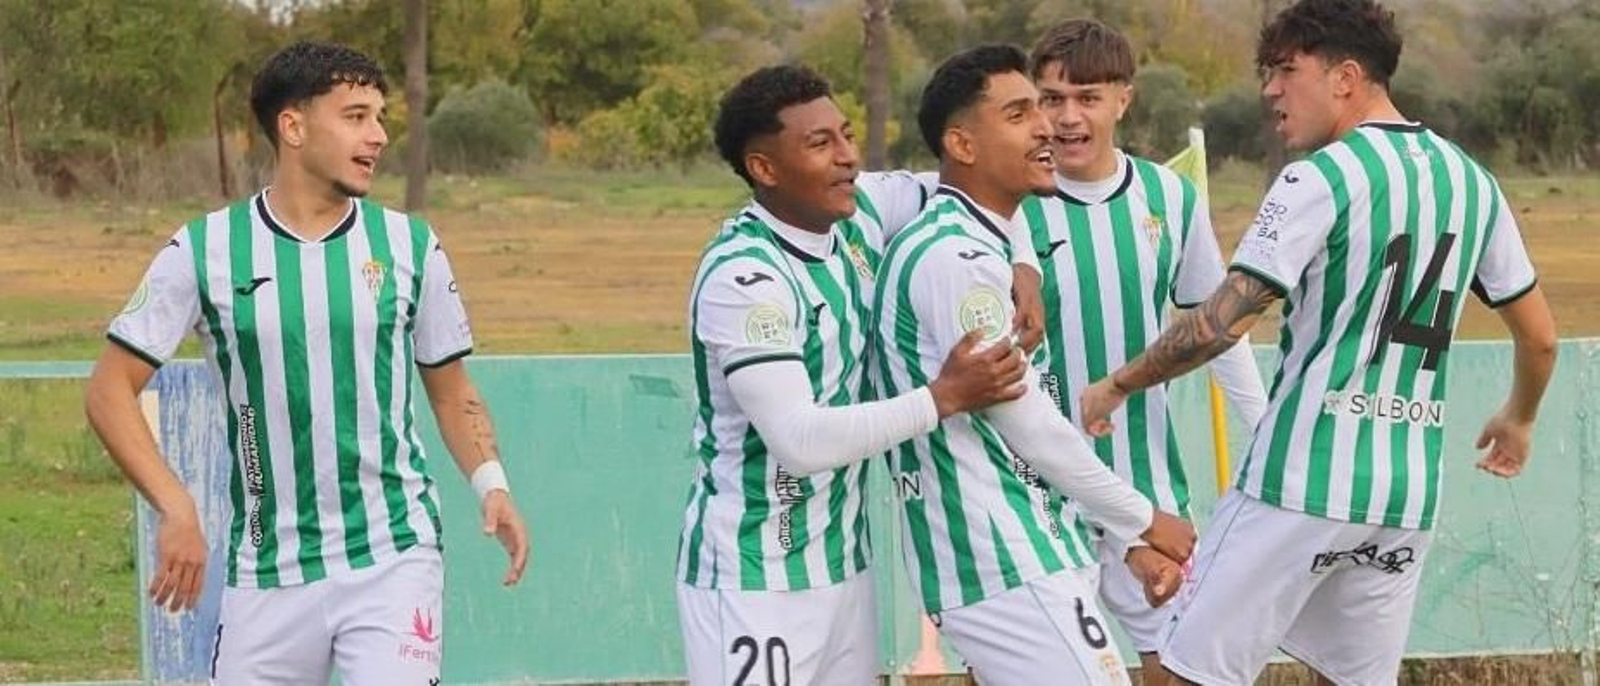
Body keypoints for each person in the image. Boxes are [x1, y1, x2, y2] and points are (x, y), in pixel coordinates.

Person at [1077, 1, 1557, 683]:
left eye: (1285, 70)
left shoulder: (1319, 177)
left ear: (1346, 77)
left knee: (1179, 670)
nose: (1270, 89)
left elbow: (1220, 323)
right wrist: (1521, 416)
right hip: (1403, 496)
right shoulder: (1473, 183)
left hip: (1298, 480)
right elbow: (1539, 339)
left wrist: (1118, 382)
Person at [83, 41, 530, 684]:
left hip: (392, 555)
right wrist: (176, 507)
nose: (377, 135)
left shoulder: (410, 245)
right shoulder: (205, 248)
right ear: (292, 127)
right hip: (265, 569)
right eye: (355, 116)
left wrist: (493, 485)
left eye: (380, 118)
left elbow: (450, 387)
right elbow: (108, 391)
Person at [675, 64, 1042, 685]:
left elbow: (986, 185)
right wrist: (942, 397)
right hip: (754, 576)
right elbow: (799, 440)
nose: (848, 158)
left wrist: (1023, 264)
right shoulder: (745, 277)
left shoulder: (863, 208)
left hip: (846, 566)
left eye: (846, 135)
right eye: (821, 144)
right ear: (764, 169)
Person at [874, 44, 1195, 686]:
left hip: (1036, 543)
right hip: (1000, 560)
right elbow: (1032, 429)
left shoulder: (989, 242)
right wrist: (1143, 520)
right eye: (1020, 113)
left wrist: (1123, 539)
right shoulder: (953, 261)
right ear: (962, 145)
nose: (1047, 126)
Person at [1017, 19, 1269, 681]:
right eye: (1051, 98)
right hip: (1034, 495)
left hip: (1146, 490)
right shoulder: (1010, 203)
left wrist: (1266, 435)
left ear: (1123, 100)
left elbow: (1217, 326)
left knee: (1182, 665)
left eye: (1087, 98)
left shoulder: (1169, 197)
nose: (1067, 117)